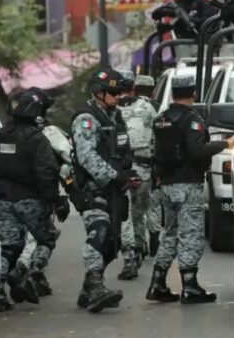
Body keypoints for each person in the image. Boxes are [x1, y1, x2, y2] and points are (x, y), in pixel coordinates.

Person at [146, 75, 234, 304]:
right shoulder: (191, 120)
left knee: (170, 233)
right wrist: (226, 144)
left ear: (172, 94)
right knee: (191, 235)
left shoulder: (161, 119)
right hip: (188, 184)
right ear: (194, 93)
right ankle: (190, 286)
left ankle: (157, 283)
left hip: (166, 184)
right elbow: (197, 150)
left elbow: (154, 151)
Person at [70, 69, 143, 312]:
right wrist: (114, 177)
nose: (118, 96)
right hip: (93, 189)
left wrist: (129, 174)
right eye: (113, 92)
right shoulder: (86, 119)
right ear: (98, 92)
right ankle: (96, 287)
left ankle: (87, 289)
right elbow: (86, 156)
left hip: (114, 190)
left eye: (120, 91)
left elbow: (122, 152)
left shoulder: (116, 117)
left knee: (112, 243)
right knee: (99, 232)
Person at [0, 91, 60, 312]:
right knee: (47, 239)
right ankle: (32, 274)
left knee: (8, 247)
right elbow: (46, 171)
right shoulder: (36, 138)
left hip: (5, 199)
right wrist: (54, 200)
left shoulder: (1, 135)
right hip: (31, 200)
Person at [12, 87, 70, 298]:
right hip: (42, 193)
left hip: (12, 195)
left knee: (18, 238)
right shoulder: (50, 132)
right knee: (43, 237)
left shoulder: (9, 131)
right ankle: (28, 270)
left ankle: (23, 275)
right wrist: (61, 194)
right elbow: (68, 161)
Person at [116, 69, 159, 279]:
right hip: (143, 170)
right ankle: (140, 247)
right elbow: (157, 140)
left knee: (125, 214)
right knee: (138, 212)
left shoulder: (110, 109)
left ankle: (130, 256)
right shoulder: (148, 108)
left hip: (119, 171)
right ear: (133, 86)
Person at [133, 74, 163, 256]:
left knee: (136, 209)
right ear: (153, 91)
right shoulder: (157, 108)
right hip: (152, 165)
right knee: (154, 204)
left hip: (132, 166)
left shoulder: (126, 108)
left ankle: (139, 244)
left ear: (134, 89)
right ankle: (154, 234)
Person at [151, 0, 219, 39]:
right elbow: (155, 14)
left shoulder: (202, 2)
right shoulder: (176, 3)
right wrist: (170, 12)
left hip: (200, 38)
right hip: (181, 39)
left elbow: (208, 18)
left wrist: (193, 20)